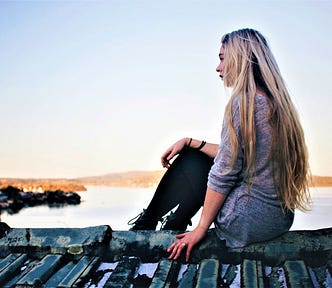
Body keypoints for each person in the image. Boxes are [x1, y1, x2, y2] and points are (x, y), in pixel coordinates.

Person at [128, 28, 311, 262]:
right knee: (195, 153)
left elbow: (224, 172)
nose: (218, 67)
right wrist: (191, 142)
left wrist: (201, 229)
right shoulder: (275, 102)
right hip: (279, 218)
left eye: (222, 58)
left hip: (245, 219)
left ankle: (154, 225)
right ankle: (167, 223)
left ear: (240, 59)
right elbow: (235, 155)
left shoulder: (243, 103)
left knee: (194, 162)